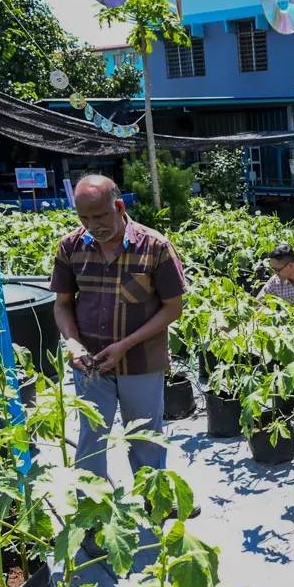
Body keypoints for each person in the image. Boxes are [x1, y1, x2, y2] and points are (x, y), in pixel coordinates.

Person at [50, 175, 195, 528]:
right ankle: (95, 510)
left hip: (142, 361)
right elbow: (62, 304)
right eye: (84, 218)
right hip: (89, 364)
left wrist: (125, 344)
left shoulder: (156, 247)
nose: (92, 225)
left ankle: (154, 502)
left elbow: (173, 307)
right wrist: (72, 343)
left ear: (119, 206)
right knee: (90, 439)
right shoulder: (70, 247)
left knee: (144, 436)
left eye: (99, 216)